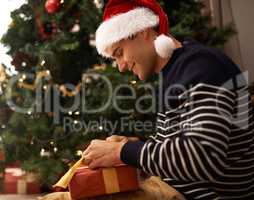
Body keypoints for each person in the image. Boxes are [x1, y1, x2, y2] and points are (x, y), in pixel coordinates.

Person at [83, 0, 254, 199]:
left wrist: (123, 151)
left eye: (120, 53)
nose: (120, 66)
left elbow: (204, 157)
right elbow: (183, 144)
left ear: (143, 31)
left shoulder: (202, 67)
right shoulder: (177, 69)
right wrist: (136, 143)